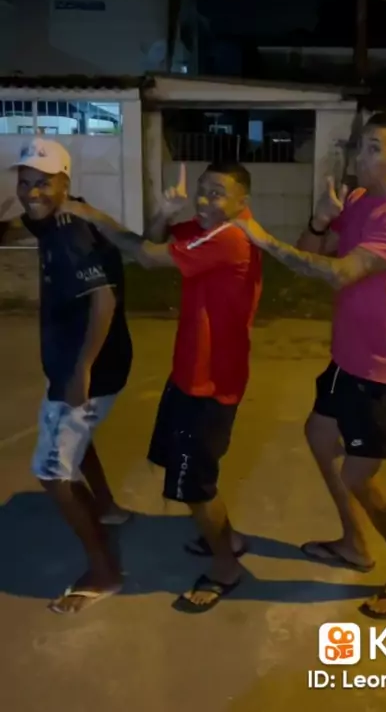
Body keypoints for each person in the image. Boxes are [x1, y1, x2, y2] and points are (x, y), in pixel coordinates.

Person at [235, 112, 386, 620]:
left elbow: (341, 273)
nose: (360, 157)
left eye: (374, 148)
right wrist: (321, 221)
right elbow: (312, 254)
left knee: (361, 477)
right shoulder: (359, 201)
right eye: (358, 146)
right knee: (319, 435)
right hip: (350, 356)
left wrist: (262, 239)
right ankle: (355, 542)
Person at [61, 161, 262, 613]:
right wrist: (163, 214)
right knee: (190, 470)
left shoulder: (229, 237)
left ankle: (226, 567)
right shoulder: (209, 228)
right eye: (203, 190)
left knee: (195, 485)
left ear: (242, 202)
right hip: (191, 373)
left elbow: (148, 257)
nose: (205, 200)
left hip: (209, 385)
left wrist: (94, 216)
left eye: (217, 193)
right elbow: (153, 243)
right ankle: (227, 538)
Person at [3, 137, 133, 615]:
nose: (31, 192)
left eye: (43, 183)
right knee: (78, 439)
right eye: (25, 182)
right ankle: (108, 508)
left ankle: (104, 571)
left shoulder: (69, 230)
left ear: (64, 183)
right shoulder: (54, 217)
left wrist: (81, 370)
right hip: (82, 362)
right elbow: (19, 223)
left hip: (85, 367)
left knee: (52, 473)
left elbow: (103, 298)